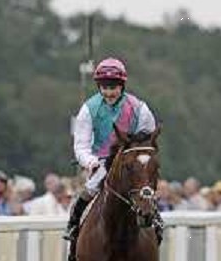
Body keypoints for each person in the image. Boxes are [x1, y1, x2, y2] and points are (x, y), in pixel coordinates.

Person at [63, 57, 163, 244]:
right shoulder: (88, 109)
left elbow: (147, 140)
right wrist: (89, 162)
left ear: (122, 86)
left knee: (143, 187)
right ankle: (74, 224)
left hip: (129, 158)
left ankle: (155, 219)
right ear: (99, 87)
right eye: (105, 87)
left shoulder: (139, 108)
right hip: (100, 160)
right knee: (92, 187)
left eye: (113, 87)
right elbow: (81, 145)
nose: (109, 92)